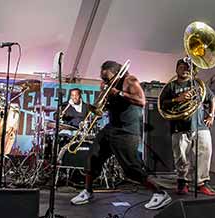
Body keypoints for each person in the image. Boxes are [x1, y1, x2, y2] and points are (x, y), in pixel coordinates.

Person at [70, 61, 171, 210]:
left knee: (131, 168)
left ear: (118, 74)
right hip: (112, 128)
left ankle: (160, 193)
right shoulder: (108, 84)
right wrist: (103, 100)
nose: (104, 81)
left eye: (107, 78)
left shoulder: (130, 81)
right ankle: (88, 191)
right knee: (93, 157)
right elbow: (108, 106)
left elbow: (141, 101)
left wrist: (119, 93)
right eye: (102, 78)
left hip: (127, 131)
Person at [159, 58, 215, 196]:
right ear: (176, 69)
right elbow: (162, 105)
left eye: (187, 67)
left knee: (204, 154)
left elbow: (212, 97)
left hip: (200, 126)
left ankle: (202, 183)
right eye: (181, 67)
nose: (185, 69)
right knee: (181, 157)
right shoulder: (171, 86)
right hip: (179, 126)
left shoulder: (198, 84)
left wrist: (211, 115)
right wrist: (177, 99)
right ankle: (182, 182)